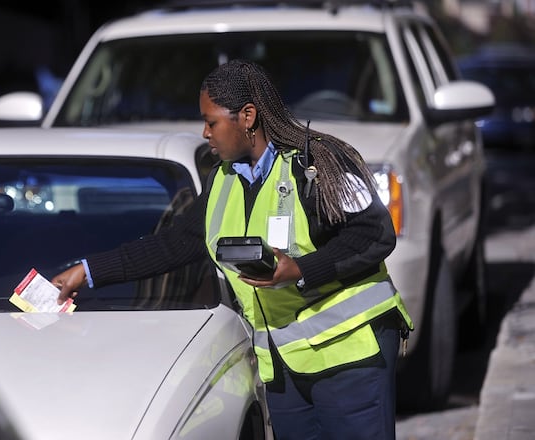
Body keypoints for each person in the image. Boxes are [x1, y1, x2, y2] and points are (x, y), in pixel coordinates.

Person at [51, 59, 414, 440]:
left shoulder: (318, 162)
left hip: (350, 356)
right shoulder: (222, 181)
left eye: (211, 122)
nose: (204, 132)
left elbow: (375, 234)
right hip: (284, 365)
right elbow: (174, 244)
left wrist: (302, 270)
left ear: (247, 117)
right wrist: (89, 271)